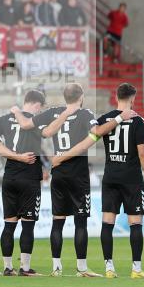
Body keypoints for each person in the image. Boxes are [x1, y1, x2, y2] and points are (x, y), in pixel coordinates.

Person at [42, 84, 133, 276]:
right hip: (77, 175)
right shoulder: (85, 114)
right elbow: (97, 133)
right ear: (81, 97)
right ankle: (81, 267)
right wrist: (118, 118)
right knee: (80, 222)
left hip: (57, 173)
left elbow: (45, 133)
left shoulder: (57, 114)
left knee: (57, 222)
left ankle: (56, 267)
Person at [94, 83, 144, 278]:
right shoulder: (137, 120)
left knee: (107, 223)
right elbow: (142, 152)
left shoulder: (105, 119)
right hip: (131, 179)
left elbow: (96, 132)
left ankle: (109, 268)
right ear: (133, 98)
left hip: (110, 176)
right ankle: (136, 269)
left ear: (116, 97)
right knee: (135, 223)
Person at [0, 90, 48, 276]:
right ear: (37, 105)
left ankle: (8, 268)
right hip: (29, 177)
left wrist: (15, 156)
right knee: (28, 224)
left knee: (9, 224)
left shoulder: (3, 119)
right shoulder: (37, 120)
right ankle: (25, 268)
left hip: (9, 177)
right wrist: (23, 158)